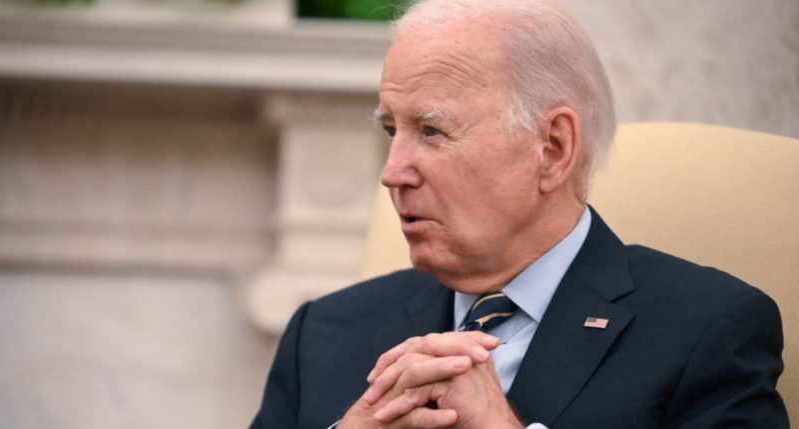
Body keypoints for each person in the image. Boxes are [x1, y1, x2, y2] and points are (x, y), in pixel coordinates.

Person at [250, 0, 789, 427]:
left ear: (552, 148)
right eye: (393, 131)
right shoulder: (323, 332)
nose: (392, 173)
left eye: (432, 131)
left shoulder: (706, 330)